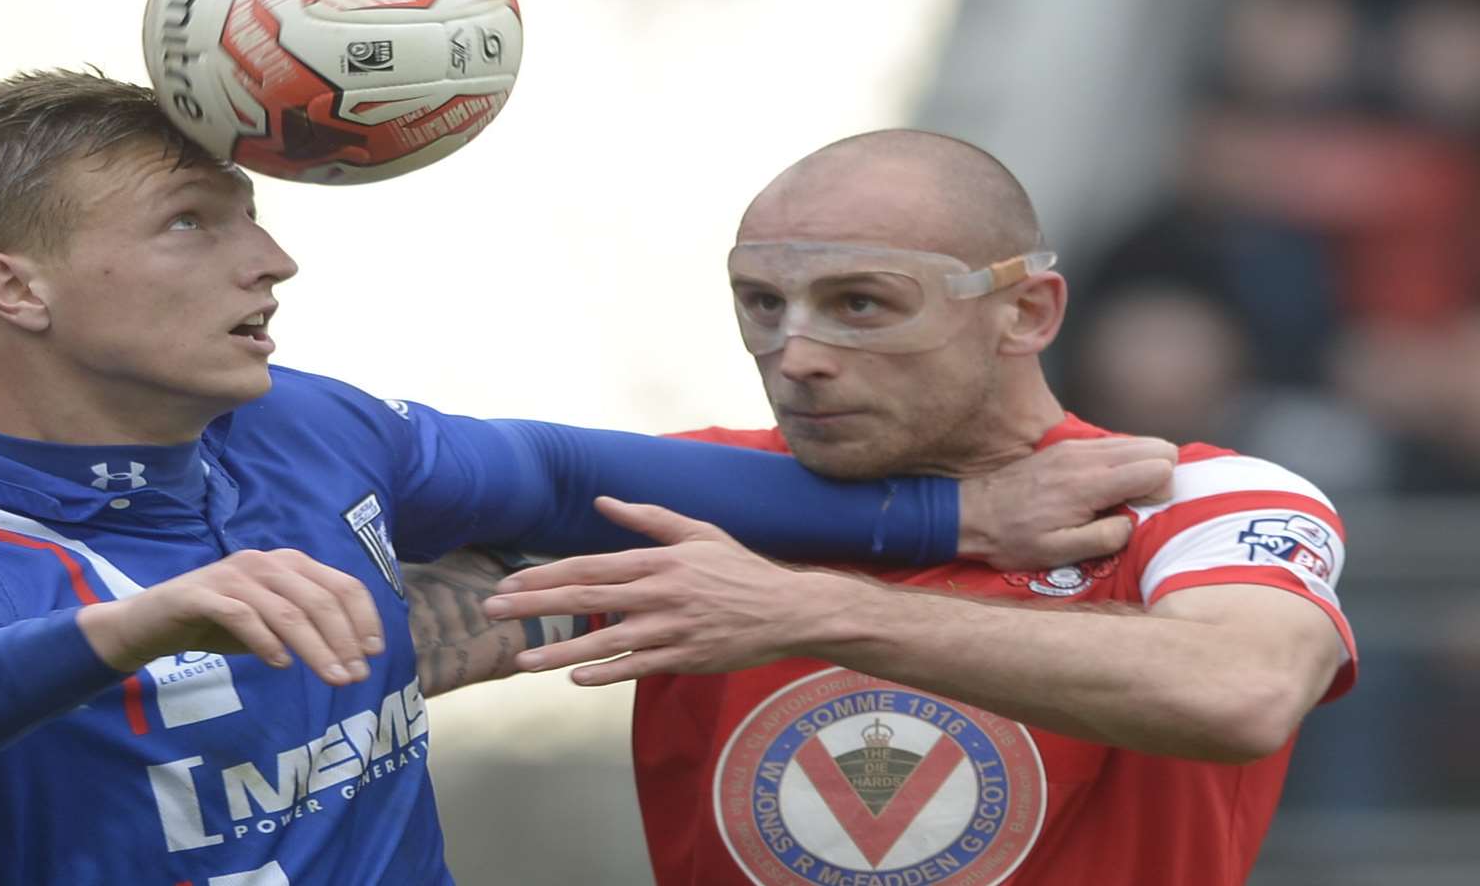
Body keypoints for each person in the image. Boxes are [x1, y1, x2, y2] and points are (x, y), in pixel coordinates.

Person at [0, 75, 1171, 886]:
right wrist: (135, 628)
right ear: (14, 289)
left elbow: (550, 472)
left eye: (253, 220)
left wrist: (952, 514)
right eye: (190, 228)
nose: (269, 261)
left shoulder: (295, 430)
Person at [437, 130, 1354, 885]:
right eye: (763, 304)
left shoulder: (1190, 496)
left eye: (862, 304)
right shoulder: (694, 497)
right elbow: (374, 642)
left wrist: (806, 609)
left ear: (1027, 312)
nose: (796, 356)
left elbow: (1243, 690)